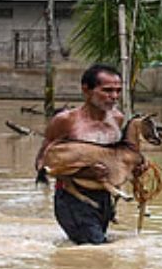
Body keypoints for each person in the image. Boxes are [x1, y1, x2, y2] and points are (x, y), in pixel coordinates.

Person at [35, 64, 141, 245]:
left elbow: (118, 157)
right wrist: (83, 172)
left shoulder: (118, 119)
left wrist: (136, 168)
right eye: (107, 90)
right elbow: (41, 165)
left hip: (105, 198)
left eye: (118, 91)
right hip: (72, 198)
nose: (114, 96)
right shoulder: (65, 121)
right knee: (97, 248)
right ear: (86, 90)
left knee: (95, 255)